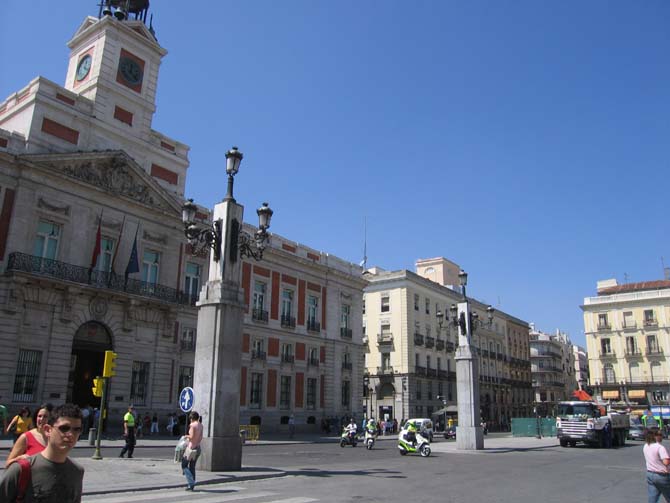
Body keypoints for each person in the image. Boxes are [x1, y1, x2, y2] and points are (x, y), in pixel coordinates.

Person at [0, 403, 84, 502]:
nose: (71, 434)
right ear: (48, 430)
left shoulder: (77, 472)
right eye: (64, 428)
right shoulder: (21, 469)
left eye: (77, 430)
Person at [4, 403, 52, 468]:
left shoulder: (55, 438)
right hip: (18, 434)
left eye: (45, 416)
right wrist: (18, 459)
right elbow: (7, 464)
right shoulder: (26, 437)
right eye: (39, 416)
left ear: (51, 418)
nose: (42, 419)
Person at [644, 429, 670, 502]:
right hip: (661, 476)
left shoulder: (646, 446)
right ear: (655, 436)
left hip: (650, 474)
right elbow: (666, 462)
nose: (662, 436)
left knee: (653, 498)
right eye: (660, 435)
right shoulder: (660, 447)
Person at [182, 411, 203, 491]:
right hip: (198, 448)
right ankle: (191, 485)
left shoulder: (192, 425)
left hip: (191, 448)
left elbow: (191, 436)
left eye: (190, 418)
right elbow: (200, 437)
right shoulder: (201, 425)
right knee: (192, 466)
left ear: (191, 418)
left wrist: (185, 436)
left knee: (184, 465)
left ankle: (191, 482)